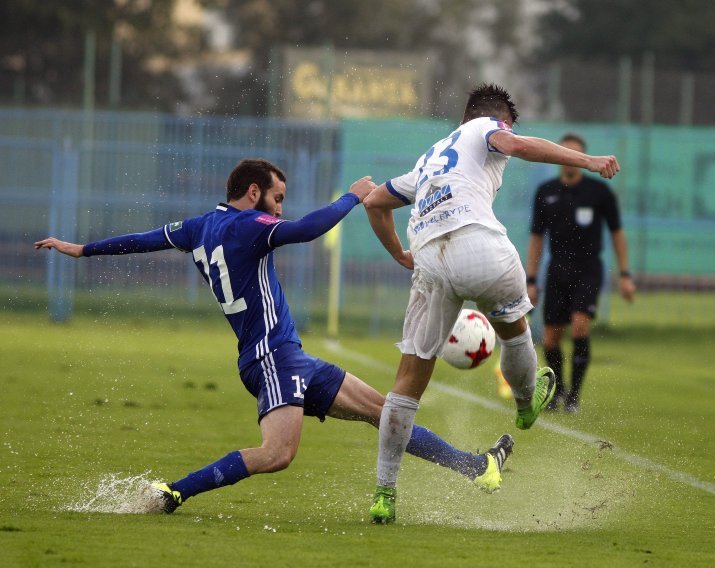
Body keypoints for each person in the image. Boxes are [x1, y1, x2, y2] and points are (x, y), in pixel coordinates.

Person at [34, 158, 516, 514]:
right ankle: (173, 493)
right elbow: (307, 230)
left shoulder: (199, 227)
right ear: (252, 191)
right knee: (277, 454)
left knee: (383, 410)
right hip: (272, 358)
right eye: (277, 198)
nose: (280, 209)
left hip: (285, 356)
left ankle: (477, 468)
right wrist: (353, 196)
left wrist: (83, 250)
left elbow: (141, 240)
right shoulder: (249, 226)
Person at [363, 84, 620, 523]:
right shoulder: (487, 127)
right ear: (498, 117)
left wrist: (399, 255)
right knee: (516, 331)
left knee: (406, 383)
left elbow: (374, 202)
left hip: (428, 258)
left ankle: (384, 493)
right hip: (478, 243)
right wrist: (588, 161)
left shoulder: (429, 160)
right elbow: (517, 145)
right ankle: (525, 404)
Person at [526, 133, 635, 414]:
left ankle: (573, 396)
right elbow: (537, 238)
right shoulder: (545, 191)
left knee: (580, 325)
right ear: (560, 158)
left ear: (582, 158)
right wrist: (531, 280)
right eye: (566, 154)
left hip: (588, 269)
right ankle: (558, 390)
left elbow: (617, 233)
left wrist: (624, 273)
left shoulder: (599, 193)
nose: (571, 160)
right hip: (557, 269)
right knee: (550, 338)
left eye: (576, 154)